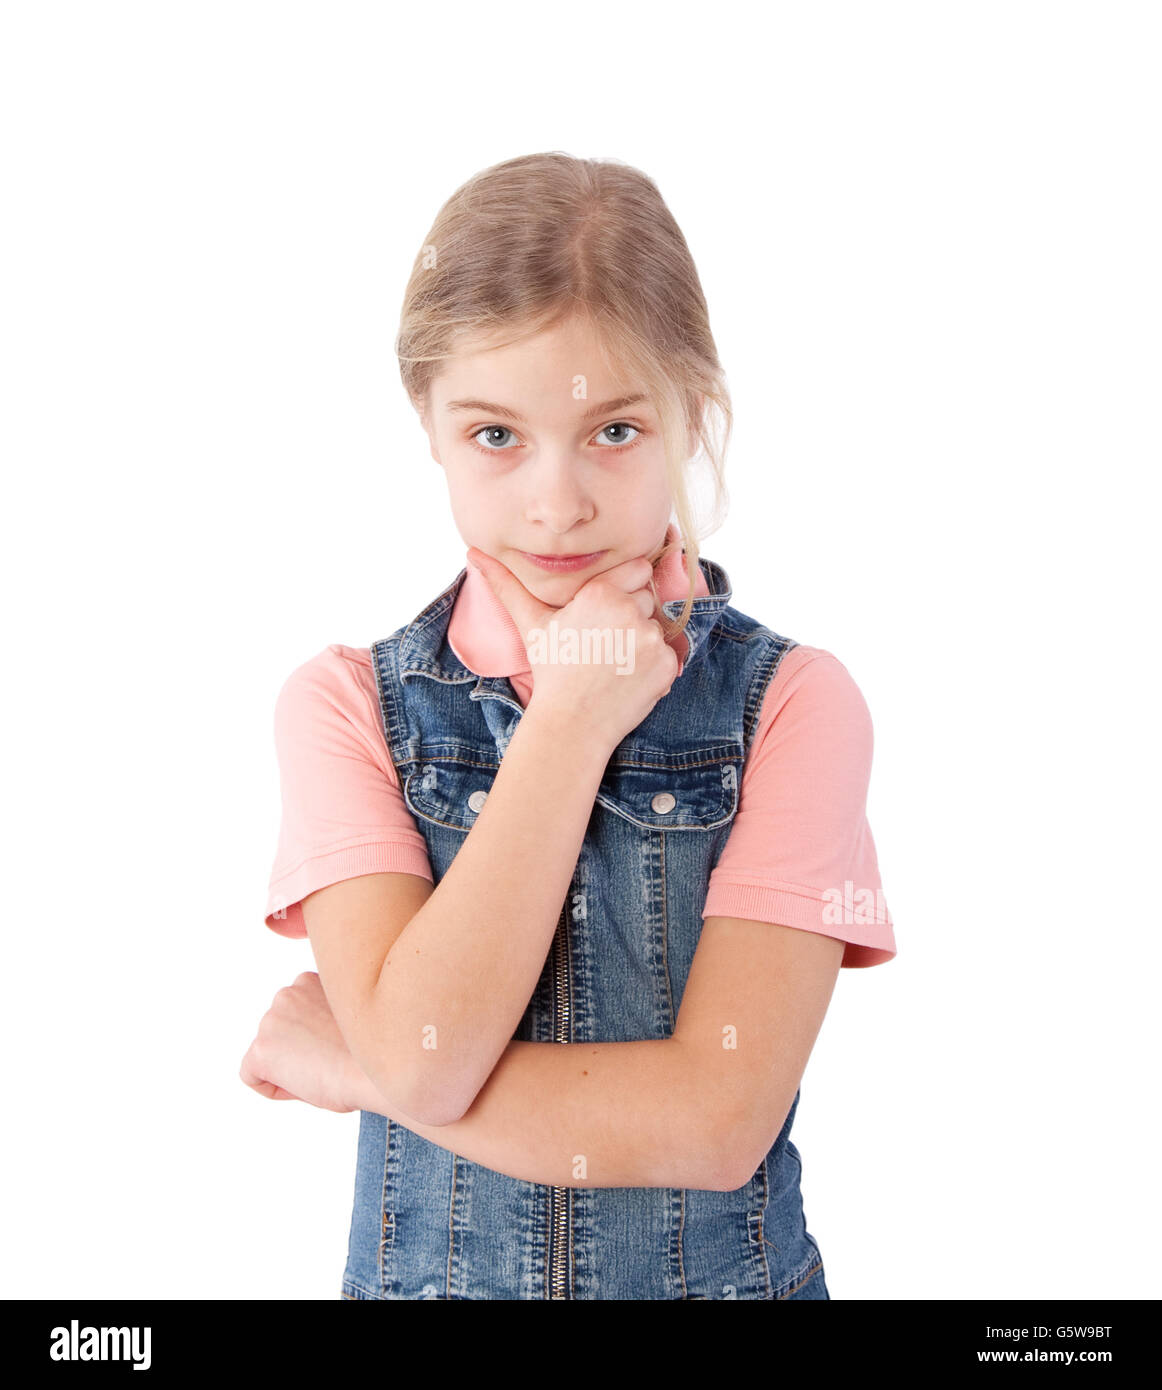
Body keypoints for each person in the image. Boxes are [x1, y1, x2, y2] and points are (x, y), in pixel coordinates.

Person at [240, 151, 897, 1300]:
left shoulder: (794, 705)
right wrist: (570, 721)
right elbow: (424, 1051)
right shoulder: (344, 705)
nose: (556, 504)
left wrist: (361, 1066)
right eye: (495, 435)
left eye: (613, 432)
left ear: (691, 414)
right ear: (429, 425)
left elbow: (713, 1121)